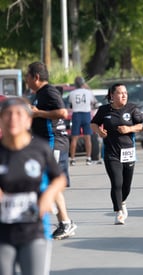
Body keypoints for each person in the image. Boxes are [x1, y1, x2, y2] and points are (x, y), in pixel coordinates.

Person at [0, 97, 66, 275]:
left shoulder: (40, 149)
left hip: (34, 231)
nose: (13, 119)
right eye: (7, 115)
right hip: (3, 233)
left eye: (19, 114)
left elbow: (59, 178)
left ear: (29, 120)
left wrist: (48, 195)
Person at [26, 61, 77, 240]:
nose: (26, 80)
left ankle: (64, 222)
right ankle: (64, 222)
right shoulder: (39, 94)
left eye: (27, 76)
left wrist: (39, 113)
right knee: (46, 182)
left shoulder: (49, 92)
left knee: (49, 182)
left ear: (36, 77)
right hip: (44, 143)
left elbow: (62, 112)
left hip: (54, 142)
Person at [90, 83, 143, 224]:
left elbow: (142, 126)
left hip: (128, 152)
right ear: (112, 96)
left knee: (126, 186)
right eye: (120, 93)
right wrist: (99, 131)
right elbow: (93, 123)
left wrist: (129, 129)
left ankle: (122, 202)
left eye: (125, 93)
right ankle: (118, 211)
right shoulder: (104, 110)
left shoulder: (132, 108)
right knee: (116, 182)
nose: (124, 95)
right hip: (111, 152)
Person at [68, 76, 97, 166]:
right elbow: (94, 102)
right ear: (83, 83)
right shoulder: (88, 92)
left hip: (76, 114)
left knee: (74, 137)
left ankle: (72, 159)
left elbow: (71, 105)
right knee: (87, 137)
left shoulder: (72, 93)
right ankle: (88, 158)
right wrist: (87, 87)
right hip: (86, 114)